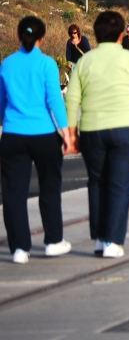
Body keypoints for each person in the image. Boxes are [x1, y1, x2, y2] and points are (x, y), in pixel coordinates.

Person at [65, 10, 129, 260]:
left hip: (91, 130)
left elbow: (72, 98)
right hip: (124, 129)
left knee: (96, 182)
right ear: (121, 35)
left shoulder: (85, 61)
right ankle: (113, 241)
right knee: (118, 184)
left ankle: (99, 238)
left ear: (94, 35)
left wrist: (71, 133)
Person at [0, 16, 72, 264]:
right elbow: (54, 100)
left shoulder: (6, 64)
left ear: (19, 35)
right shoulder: (47, 64)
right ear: (42, 37)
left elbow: (1, 103)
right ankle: (53, 241)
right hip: (43, 135)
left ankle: (19, 248)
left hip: (13, 135)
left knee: (13, 193)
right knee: (50, 187)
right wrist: (67, 133)